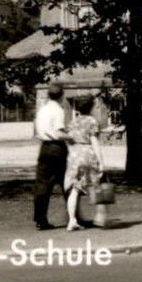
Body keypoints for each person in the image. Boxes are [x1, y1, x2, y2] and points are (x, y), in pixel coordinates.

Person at [63, 95, 106, 232]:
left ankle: (72, 220)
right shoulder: (92, 121)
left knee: (75, 189)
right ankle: (100, 217)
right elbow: (94, 142)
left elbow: (68, 139)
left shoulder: (73, 122)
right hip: (88, 154)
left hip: (75, 155)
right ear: (91, 106)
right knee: (96, 185)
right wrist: (101, 162)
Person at [33, 83, 69, 230]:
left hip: (44, 147)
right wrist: (71, 136)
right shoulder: (58, 110)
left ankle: (40, 219)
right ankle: (73, 216)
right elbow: (59, 132)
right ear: (61, 96)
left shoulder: (42, 109)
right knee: (67, 182)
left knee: (42, 184)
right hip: (57, 147)